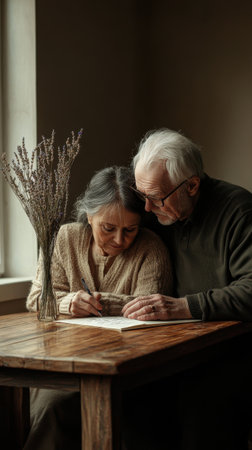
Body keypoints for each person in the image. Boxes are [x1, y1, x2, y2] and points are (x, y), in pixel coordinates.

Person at [24, 165, 173, 450]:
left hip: (126, 364)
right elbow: (36, 298)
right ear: (89, 215)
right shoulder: (65, 237)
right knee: (50, 404)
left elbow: (149, 308)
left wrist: (97, 300)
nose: (119, 240)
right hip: (65, 358)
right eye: (108, 228)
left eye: (130, 230)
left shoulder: (150, 248)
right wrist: (68, 302)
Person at [121, 128, 252, 450]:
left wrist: (183, 307)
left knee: (202, 407)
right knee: (131, 400)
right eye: (142, 197)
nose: (147, 209)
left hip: (233, 349)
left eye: (156, 198)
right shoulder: (157, 212)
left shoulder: (239, 210)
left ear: (192, 185)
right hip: (172, 349)